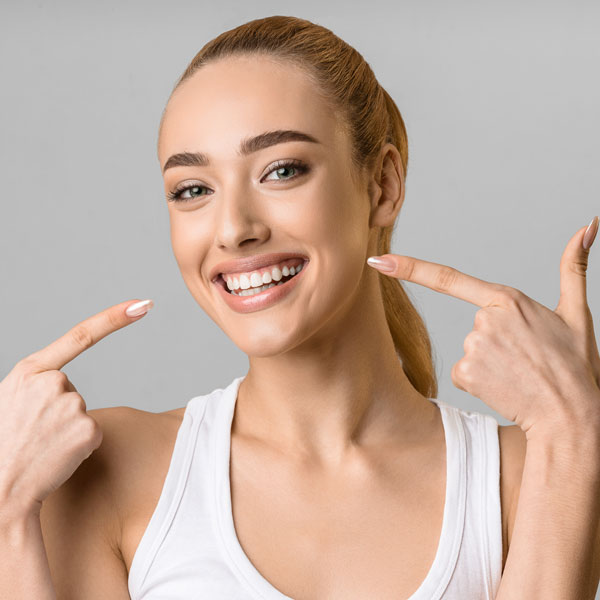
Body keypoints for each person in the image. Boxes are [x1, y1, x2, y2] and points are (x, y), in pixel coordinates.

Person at [2, 15, 599, 600]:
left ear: (382, 186)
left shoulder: (525, 473)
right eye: (193, 190)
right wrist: (6, 513)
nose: (233, 228)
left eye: (281, 170)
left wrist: (574, 427)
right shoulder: (109, 473)